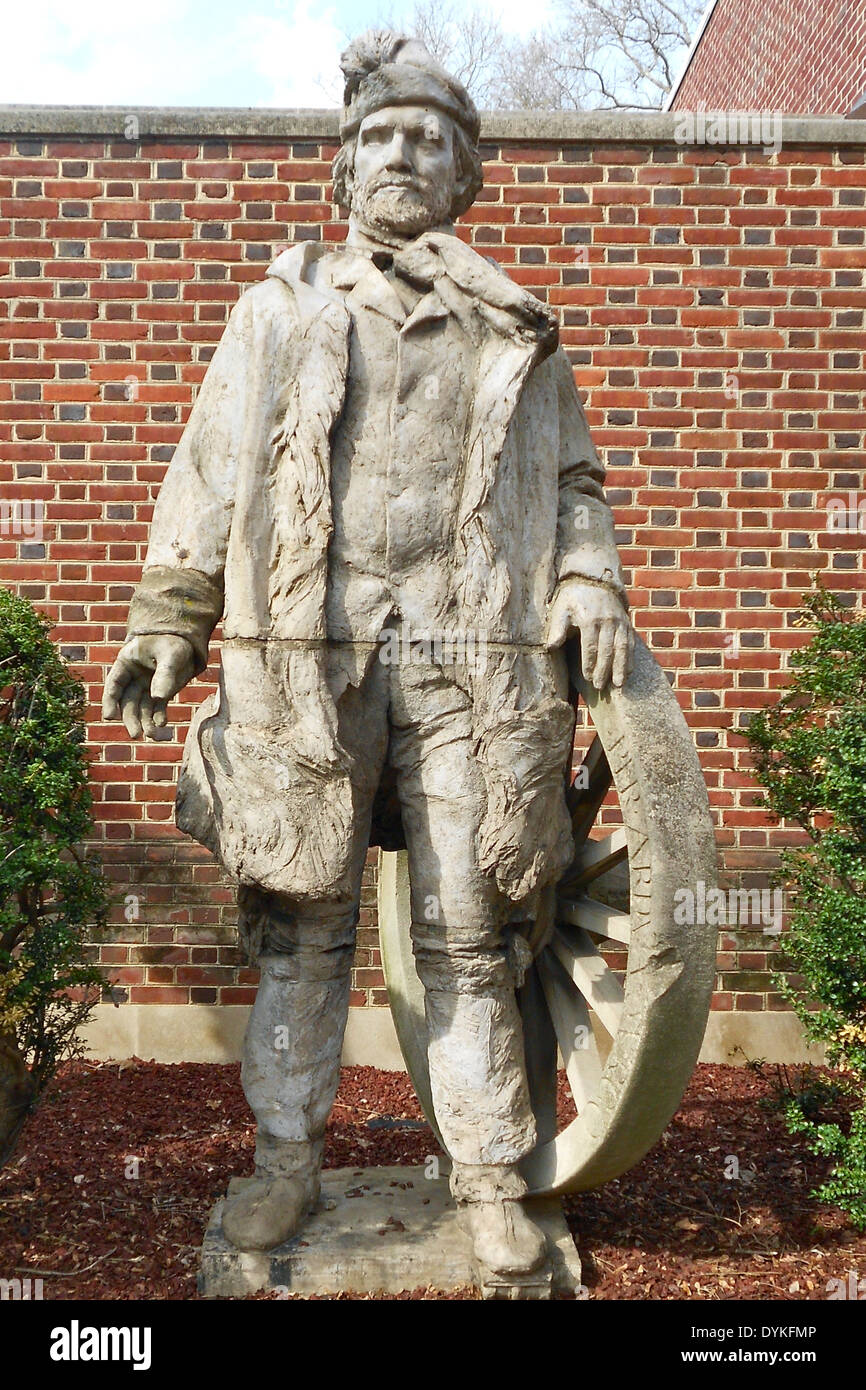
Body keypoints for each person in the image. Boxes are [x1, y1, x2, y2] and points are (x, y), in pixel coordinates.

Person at [102, 30, 633, 1284]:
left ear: (462, 180)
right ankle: (285, 1160)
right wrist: (167, 621)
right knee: (302, 925)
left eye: (430, 143)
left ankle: (493, 1177)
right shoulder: (276, 311)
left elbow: (571, 482)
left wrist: (585, 576)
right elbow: (209, 468)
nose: (404, 157)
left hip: (471, 659)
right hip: (303, 655)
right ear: (344, 168)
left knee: (466, 931)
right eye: (383, 138)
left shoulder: (514, 332)